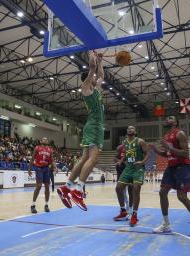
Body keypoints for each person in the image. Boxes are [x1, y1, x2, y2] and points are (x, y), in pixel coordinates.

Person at [57, 51, 104, 211]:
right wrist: (92, 56)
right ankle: (78, 190)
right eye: (92, 78)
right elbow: (92, 70)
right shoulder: (86, 89)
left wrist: (100, 61)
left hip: (94, 127)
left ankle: (66, 186)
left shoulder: (96, 90)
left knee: (85, 158)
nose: (95, 79)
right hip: (94, 127)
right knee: (94, 159)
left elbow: (101, 76)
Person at [150, 116, 190, 240]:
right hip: (171, 167)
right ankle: (166, 224)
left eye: (171, 118)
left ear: (176, 121)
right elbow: (167, 154)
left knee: (182, 197)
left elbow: (185, 153)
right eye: (167, 118)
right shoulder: (166, 136)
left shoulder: (180, 133)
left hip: (182, 167)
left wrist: (169, 147)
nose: (167, 119)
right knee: (162, 192)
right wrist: (155, 149)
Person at [113, 126, 149, 227]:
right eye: (128, 128)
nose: (130, 129)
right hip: (128, 168)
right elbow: (126, 154)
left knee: (136, 189)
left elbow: (147, 153)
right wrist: (120, 161)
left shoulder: (140, 141)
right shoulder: (124, 143)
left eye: (132, 128)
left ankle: (134, 214)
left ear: (135, 131)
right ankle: (123, 211)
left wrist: (142, 162)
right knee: (118, 188)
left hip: (138, 169)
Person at [28, 137, 57, 214]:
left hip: (46, 169)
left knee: (47, 186)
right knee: (39, 186)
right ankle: (33, 205)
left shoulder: (50, 150)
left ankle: (46, 205)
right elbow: (32, 158)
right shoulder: (37, 148)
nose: (45, 140)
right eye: (44, 139)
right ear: (40, 141)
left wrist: (55, 167)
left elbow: (52, 161)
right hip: (39, 168)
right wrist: (29, 169)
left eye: (46, 139)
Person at [114, 143, 133, 217]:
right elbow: (114, 158)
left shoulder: (134, 147)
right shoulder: (120, 147)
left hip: (130, 170)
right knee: (121, 191)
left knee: (131, 190)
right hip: (120, 170)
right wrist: (119, 161)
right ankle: (124, 209)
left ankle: (130, 210)